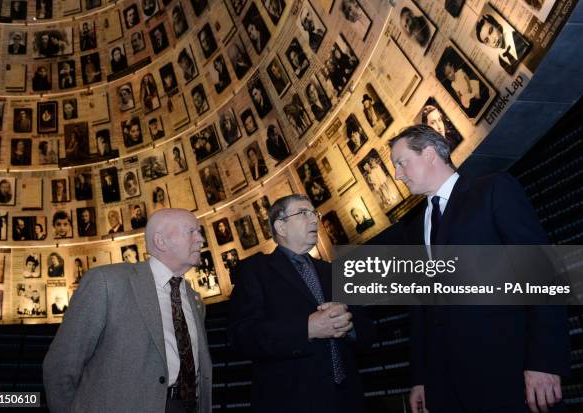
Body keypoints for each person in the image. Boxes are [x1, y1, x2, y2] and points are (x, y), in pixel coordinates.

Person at [388, 124, 570, 413]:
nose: (397, 174)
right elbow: (420, 310)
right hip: (444, 387)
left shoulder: (494, 190)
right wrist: (421, 379)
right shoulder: (411, 230)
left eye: (401, 163)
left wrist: (544, 360)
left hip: (508, 374)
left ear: (430, 154)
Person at [44, 209, 213, 412]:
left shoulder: (194, 300)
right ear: (161, 241)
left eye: (199, 232)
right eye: (191, 232)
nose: (200, 239)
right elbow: (61, 366)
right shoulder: (107, 283)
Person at [228, 194, 375, 412]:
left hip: (347, 399)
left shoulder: (333, 271)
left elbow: (369, 331)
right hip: (291, 402)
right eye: (303, 213)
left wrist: (348, 325)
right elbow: (243, 337)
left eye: (314, 213)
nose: (315, 220)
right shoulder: (254, 271)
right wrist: (307, 329)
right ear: (281, 226)